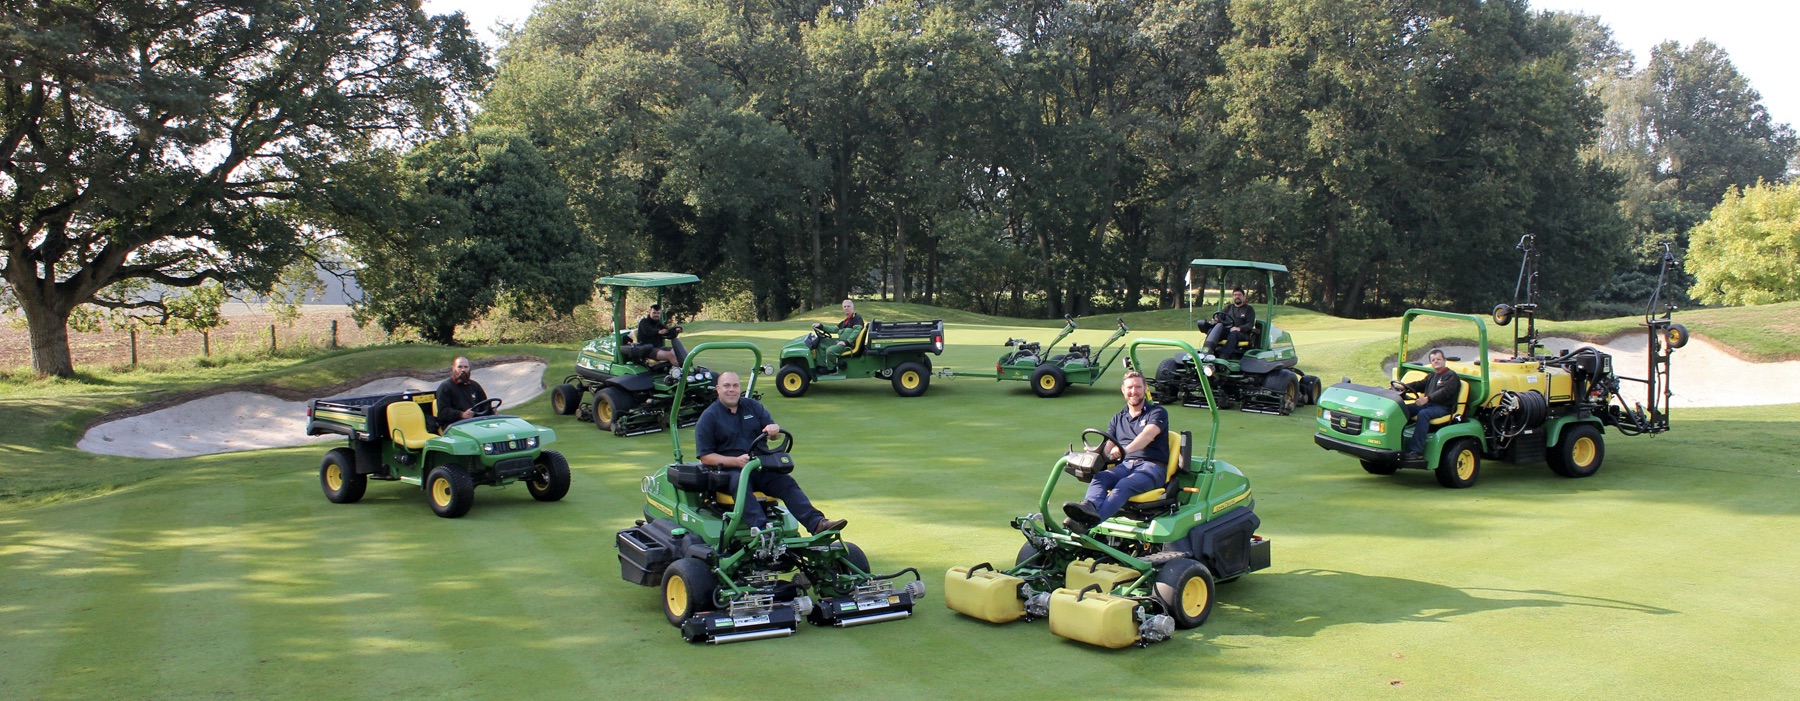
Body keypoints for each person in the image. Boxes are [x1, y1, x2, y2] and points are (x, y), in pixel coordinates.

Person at [695, 371, 847, 534]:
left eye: (735, 385)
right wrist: (735, 461)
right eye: (727, 386)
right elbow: (705, 457)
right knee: (741, 483)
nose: (731, 390)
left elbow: (773, 432)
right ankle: (762, 529)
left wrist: (774, 431)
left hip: (760, 466)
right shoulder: (709, 417)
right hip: (730, 471)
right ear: (718, 389)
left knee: (786, 482)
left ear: (740, 388)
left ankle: (817, 523)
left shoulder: (752, 406)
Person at [1062, 370, 1169, 530]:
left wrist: (1125, 450)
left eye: (1138, 387)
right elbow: (1107, 449)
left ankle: (1087, 525)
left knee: (1123, 486)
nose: (1134, 391)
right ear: (1123, 390)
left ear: (1145, 389)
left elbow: (1147, 436)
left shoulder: (1157, 412)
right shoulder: (1117, 418)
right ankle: (1087, 508)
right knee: (1100, 477)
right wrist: (1092, 455)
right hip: (1125, 466)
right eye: (1130, 387)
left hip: (1152, 468)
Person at [1400, 349, 1463, 460]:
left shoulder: (1450, 376)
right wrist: (1404, 387)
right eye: (1433, 360)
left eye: (1438, 359)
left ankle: (1416, 451)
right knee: (1403, 409)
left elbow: (1444, 392)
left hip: (1444, 407)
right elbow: (1419, 384)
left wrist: (1427, 398)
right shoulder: (1432, 376)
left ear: (1444, 360)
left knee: (1424, 414)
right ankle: (1397, 442)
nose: (1436, 361)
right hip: (1429, 405)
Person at [434, 356, 491, 427]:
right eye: (460, 367)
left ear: (469, 369)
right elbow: (443, 412)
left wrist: (491, 411)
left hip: (474, 421)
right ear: (453, 368)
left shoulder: (475, 386)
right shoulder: (445, 387)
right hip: (453, 424)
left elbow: (484, 405)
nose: (463, 370)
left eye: (466, 367)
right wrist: (461, 414)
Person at [808, 299, 865, 369]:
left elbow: (856, 331)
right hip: (841, 342)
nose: (846, 308)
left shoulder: (857, 318)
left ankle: (831, 368)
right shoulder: (845, 321)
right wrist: (820, 326)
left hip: (848, 345)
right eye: (844, 307)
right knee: (821, 343)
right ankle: (821, 366)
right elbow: (834, 329)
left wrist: (846, 342)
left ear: (853, 307)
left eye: (848, 306)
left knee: (830, 351)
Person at [1201, 287, 1256, 359]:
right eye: (1235, 295)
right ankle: (1207, 351)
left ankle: (1224, 355)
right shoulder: (1228, 308)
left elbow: (1250, 325)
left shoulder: (1249, 309)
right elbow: (1220, 317)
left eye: (1239, 295)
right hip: (1228, 331)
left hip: (1242, 334)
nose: (1237, 297)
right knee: (1212, 331)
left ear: (1243, 297)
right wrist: (1216, 319)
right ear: (1233, 297)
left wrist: (1239, 328)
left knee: (1234, 333)